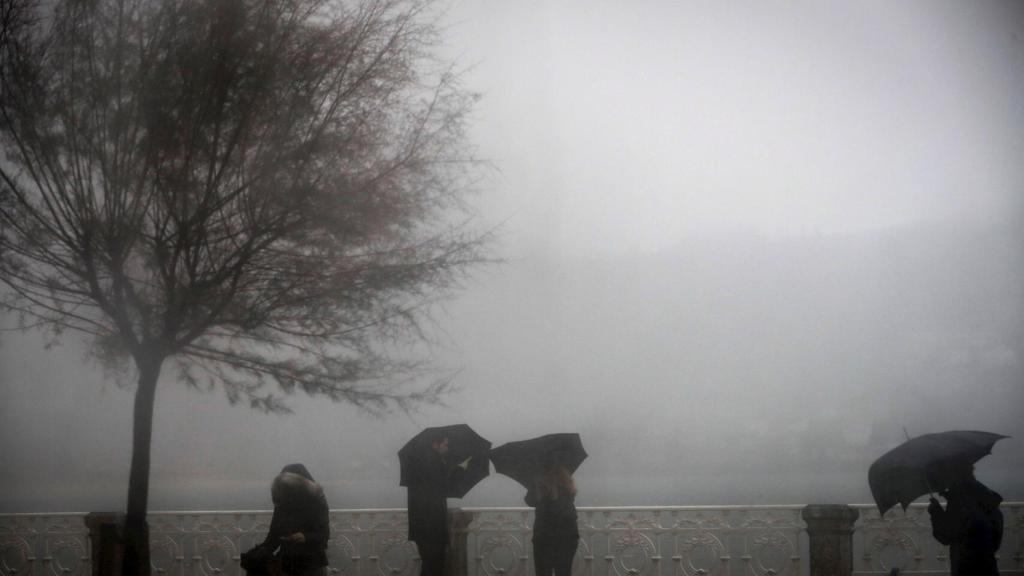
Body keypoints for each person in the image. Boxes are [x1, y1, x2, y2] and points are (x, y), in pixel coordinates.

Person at [406, 436, 471, 576]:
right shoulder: (433, 462)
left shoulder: (420, 462)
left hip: (421, 525)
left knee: (429, 564)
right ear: (435, 444)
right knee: (433, 565)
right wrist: (460, 469)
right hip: (431, 525)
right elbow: (442, 486)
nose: (447, 448)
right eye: (445, 445)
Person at [927, 464, 1004, 576]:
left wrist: (936, 512)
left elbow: (946, 536)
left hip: (964, 566)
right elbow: (997, 535)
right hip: (988, 564)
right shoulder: (985, 494)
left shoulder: (958, 500)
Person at [261, 463, 331, 576]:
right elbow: (274, 534)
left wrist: (305, 537)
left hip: (312, 564)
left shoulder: (317, 500)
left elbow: (324, 535)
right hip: (287, 565)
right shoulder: (282, 501)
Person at [525, 459, 580, 576]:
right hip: (568, 537)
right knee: (564, 571)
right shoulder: (567, 484)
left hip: (545, 537)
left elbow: (530, 501)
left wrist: (536, 486)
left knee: (543, 571)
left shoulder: (542, 485)